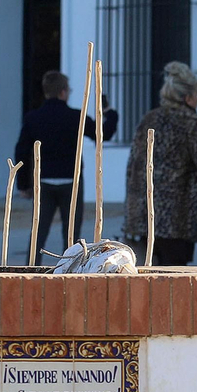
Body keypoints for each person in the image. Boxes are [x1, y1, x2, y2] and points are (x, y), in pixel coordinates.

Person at [123, 62, 197, 266]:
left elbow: (134, 165)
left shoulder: (149, 119)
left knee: (150, 271)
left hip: (147, 214)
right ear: (188, 97)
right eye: (196, 95)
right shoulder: (193, 124)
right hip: (179, 218)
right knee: (175, 276)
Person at [14, 70, 119, 258]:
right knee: (71, 234)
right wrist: (110, 113)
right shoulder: (75, 117)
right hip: (72, 181)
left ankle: (31, 270)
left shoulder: (33, 118)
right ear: (63, 92)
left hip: (43, 181)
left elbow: (22, 150)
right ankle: (68, 272)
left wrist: (23, 184)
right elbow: (103, 134)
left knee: (38, 231)